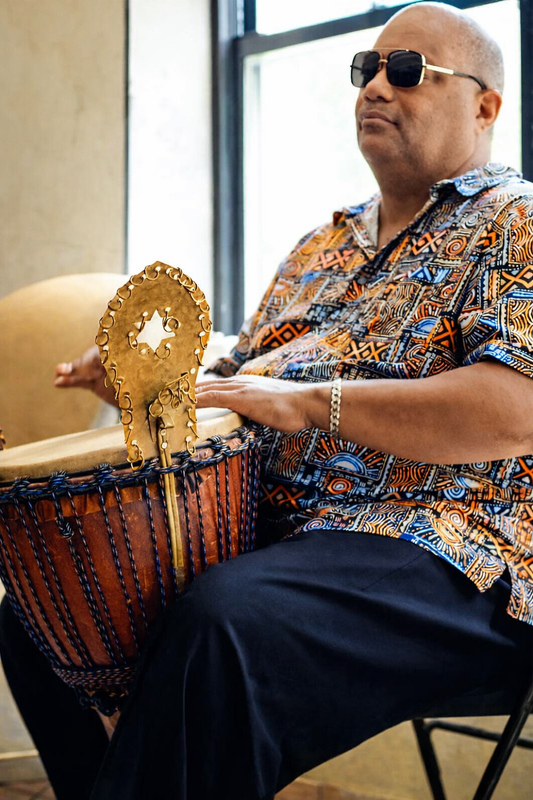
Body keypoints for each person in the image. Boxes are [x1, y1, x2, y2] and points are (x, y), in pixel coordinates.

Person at [1, 3, 533, 799]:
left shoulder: (515, 221)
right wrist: (143, 377)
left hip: (454, 546)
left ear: (484, 106)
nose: (374, 88)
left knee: (225, 620)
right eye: (366, 69)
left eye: (407, 71)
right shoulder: (320, 245)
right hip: (280, 533)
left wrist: (312, 403)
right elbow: (244, 375)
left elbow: (514, 409)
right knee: (48, 607)